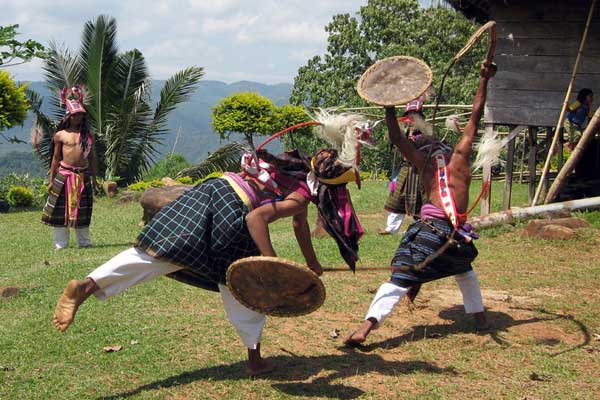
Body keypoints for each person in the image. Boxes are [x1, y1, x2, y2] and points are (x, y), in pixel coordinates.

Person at [52, 147, 363, 376]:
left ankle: (87, 285)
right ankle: (254, 359)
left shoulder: (296, 171)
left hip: (212, 190)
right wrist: (270, 263)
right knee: (245, 284)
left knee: (157, 253)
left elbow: (299, 225)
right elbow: (257, 218)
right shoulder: (302, 194)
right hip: (234, 211)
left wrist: (312, 262)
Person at [345, 61, 496, 346]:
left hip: (429, 232)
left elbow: (396, 137)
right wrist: (483, 80)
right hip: (455, 237)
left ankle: (365, 328)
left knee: (399, 278)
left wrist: (388, 105)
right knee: (464, 270)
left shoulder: (424, 163)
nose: (419, 141)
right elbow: (475, 116)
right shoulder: (459, 157)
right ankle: (480, 319)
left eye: (421, 141)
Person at [42, 86, 98, 249]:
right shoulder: (60, 135)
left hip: (83, 175)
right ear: (69, 116)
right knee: (60, 212)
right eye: (75, 115)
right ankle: (60, 244)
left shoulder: (88, 135)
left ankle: (85, 242)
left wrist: (94, 179)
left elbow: (93, 158)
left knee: (83, 210)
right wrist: (51, 180)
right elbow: (55, 158)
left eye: (80, 115)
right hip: (64, 175)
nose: (78, 118)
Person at [380, 97, 427, 235]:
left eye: (414, 115)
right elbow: (395, 141)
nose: (411, 118)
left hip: (420, 172)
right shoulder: (402, 132)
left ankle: (419, 226)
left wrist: (415, 140)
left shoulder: (425, 132)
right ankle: (391, 229)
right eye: (409, 115)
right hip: (405, 169)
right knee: (397, 199)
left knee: (421, 200)